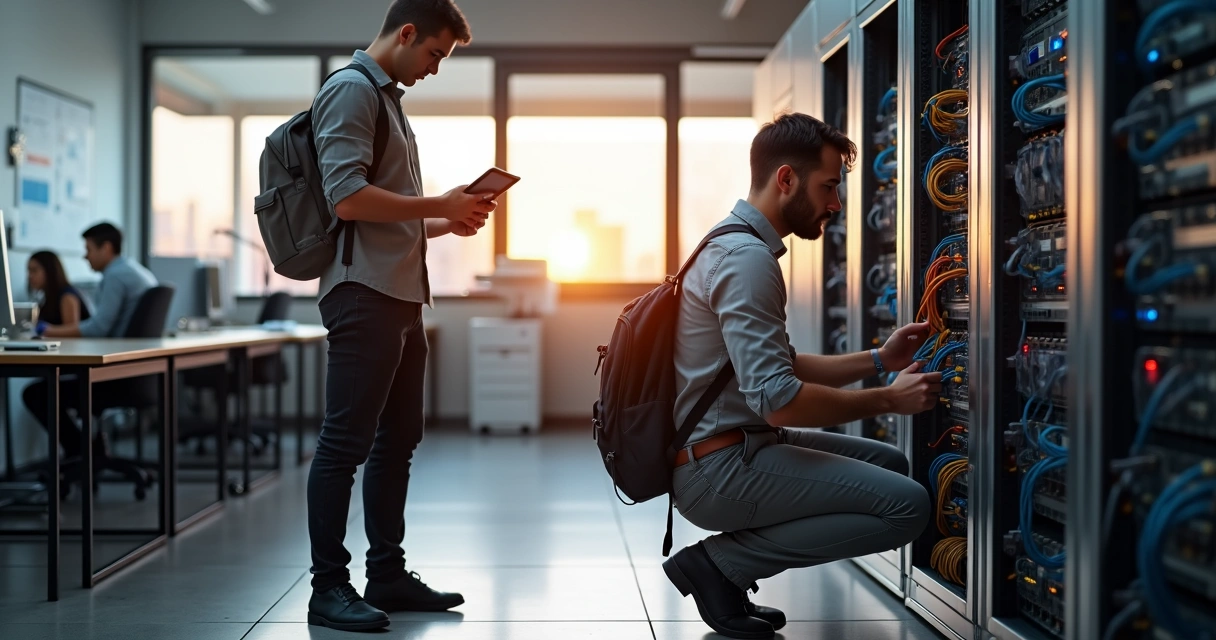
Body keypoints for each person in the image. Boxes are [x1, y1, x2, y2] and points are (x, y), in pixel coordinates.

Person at [664, 113, 939, 639]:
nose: (836, 204)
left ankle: (726, 568)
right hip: (718, 469)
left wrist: (880, 360)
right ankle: (721, 565)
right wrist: (888, 399)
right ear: (786, 179)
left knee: (891, 463)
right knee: (907, 507)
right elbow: (780, 401)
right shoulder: (746, 261)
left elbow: (783, 365)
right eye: (828, 187)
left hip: (734, 446)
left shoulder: (729, 243)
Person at [304, 0, 494, 632]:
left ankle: (386, 573)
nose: (435, 68)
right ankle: (328, 588)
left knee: (398, 440)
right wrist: (436, 202)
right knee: (345, 443)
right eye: (434, 54)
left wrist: (446, 220)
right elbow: (348, 200)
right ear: (407, 33)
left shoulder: (387, 101)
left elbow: (388, 218)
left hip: (401, 296)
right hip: (364, 294)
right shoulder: (351, 91)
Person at [24, 223, 158, 460]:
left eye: (88, 249)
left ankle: (81, 452)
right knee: (43, 389)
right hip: (137, 373)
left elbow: (98, 328)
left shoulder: (116, 276)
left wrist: (46, 331)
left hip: (114, 377)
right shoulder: (136, 271)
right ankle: (86, 452)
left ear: (106, 248)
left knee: (37, 394)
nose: (85, 256)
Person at [27, 250, 92, 327]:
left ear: (49, 271)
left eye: (34, 271)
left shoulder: (67, 296)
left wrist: (45, 330)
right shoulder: (46, 298)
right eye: (29, 271)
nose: (30, 276)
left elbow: (71, 331)